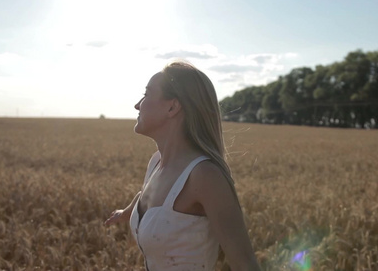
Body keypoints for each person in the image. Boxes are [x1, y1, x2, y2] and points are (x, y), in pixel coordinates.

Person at [104, 61, 261, 271]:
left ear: (172, 107)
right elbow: (147, 196)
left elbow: (245, 263)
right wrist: (126, 212)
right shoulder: (157, 162)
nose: (137, 105)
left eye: (147, 94)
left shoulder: (205, 176)